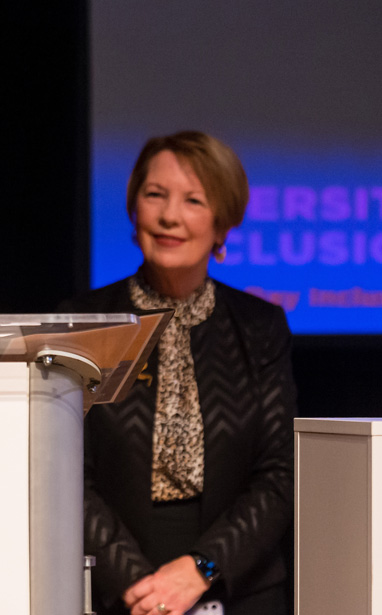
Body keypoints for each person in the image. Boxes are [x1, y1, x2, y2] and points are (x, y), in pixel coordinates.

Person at [59, 131, 295, 615]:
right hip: (116, 591)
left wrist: (202, 568)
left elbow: (279, 474)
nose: (169, 216)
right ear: (133, 208)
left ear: (222, 222)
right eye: (154, 195)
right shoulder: (84, 322)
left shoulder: (260, 327)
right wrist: (136, 583)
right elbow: (63, 470)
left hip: (238, 587)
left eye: (193, 200)